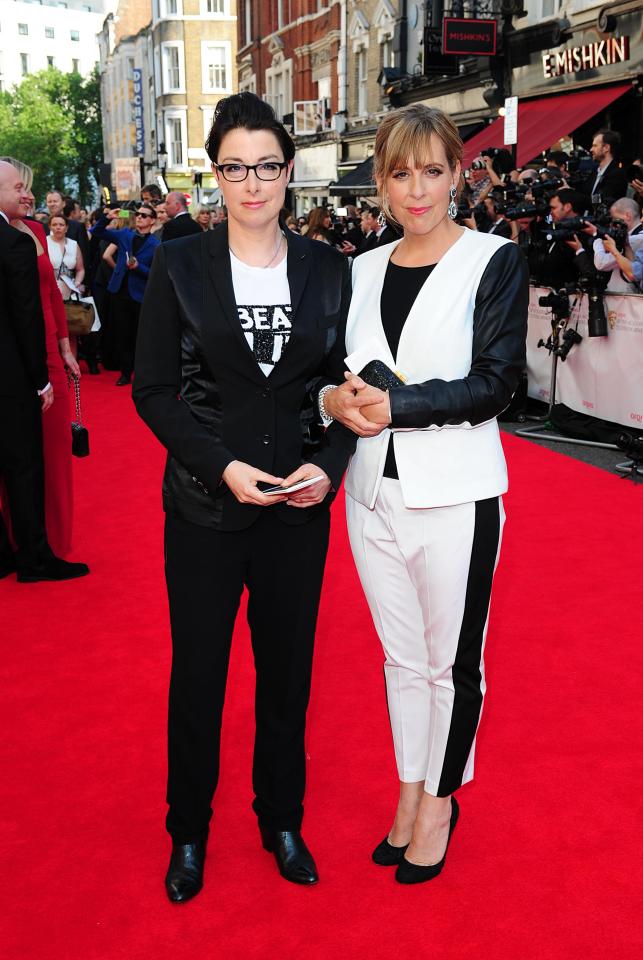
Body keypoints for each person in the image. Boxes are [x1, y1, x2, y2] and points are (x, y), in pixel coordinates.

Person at [132, 91, 355, 903]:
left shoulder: (330, 270)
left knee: (286, 673)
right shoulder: (180, 263)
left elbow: (345, 387)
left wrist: (329, 465)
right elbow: (154, 389)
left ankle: (281, 818)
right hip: (203, 507)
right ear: (215, 175)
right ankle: (187, 829)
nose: (252, 183)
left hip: (297, 509)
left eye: (266, 166)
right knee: (199, 673)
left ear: (289, 172)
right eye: (234, 168)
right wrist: (219, 466)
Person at [322, 103, 528, 884]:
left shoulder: (492, 261)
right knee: (400, 662)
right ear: (379, 180)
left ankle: (441, 800)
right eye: (400, 173)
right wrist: (330, 403)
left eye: (432, 171)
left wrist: (398, 407)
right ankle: (408, 790)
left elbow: (495, 383)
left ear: (456, 174)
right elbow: (332, 376)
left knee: (452, 665)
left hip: (458, 496)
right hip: (370, 496)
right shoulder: (359, 269)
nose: (416, 191)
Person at [0, 159, 88, 582]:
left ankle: (43, 540)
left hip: (45, 350)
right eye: (19, 188)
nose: (28, 195)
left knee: (45, 456)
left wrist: (64, 348)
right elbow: (22, 311)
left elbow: (50, 294)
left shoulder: (33, 232)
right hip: (25, 358)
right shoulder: (16, 239)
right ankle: (29, 549)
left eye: (29, 188)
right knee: (25, 458)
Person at [91, 203, 160, 386]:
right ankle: (125, 372)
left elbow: (155, 273)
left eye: (144, 215)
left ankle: (142, 373)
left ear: (152, 221)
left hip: (140, 295)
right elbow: (96, 231)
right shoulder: (125, 235)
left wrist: (139, 267)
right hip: (119, 291)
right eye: (138, 214)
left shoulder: (156, 245)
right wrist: (108, 217)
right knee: (122, 334)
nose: (139, 217)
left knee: (139, 336)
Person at [584, 197, 643, 293]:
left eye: (615, 219)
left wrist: (596, 235)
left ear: (628, 215)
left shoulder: (638, 239)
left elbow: (601, 263)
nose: (612, 225)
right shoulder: (628, 240)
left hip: (628, 298)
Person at [47, 214, 85, 299]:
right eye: (54, 224)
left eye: (61, 225)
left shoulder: (73, 244)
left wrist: (77, 282)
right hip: (50, 291)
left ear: (66, 228)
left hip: (71, 292)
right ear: (50, 227)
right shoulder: (45, 242)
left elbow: (80, 269)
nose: (58, 227)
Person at [587, 129, 628, 204]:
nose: (591, 149)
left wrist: (586, 200)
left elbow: (604, 199)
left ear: (606, 148)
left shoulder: (617, 174)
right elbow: (586, 192)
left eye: (595, 146)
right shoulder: (595, 171)